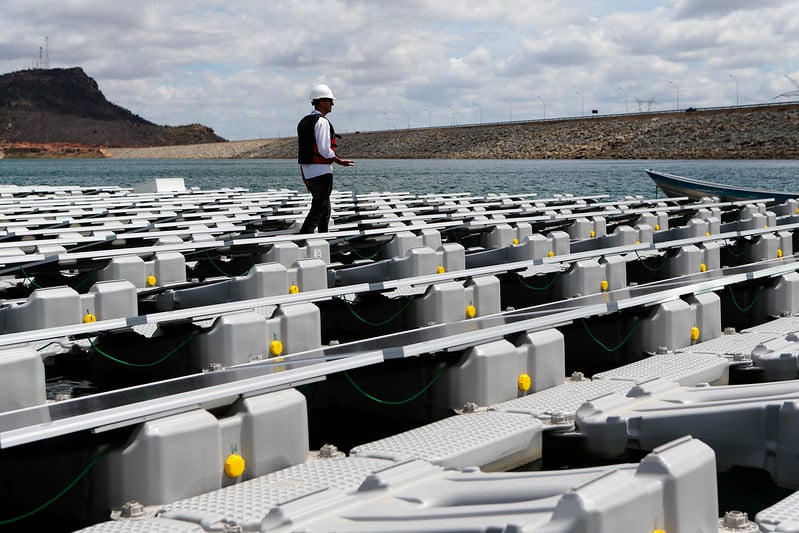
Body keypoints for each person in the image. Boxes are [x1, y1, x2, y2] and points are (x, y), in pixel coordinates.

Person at [297, 83, 355, 234]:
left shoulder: (304, 122)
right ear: (321, 102)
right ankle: (302, 241)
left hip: (310, 172)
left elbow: (302, 152)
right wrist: (340, 161)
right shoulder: (321, 122)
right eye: (330, 100)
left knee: (325, 210)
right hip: (322, 172)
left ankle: (323, 238)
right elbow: (324, 150)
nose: (332, 104)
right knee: (318, 209)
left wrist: (304, 175)